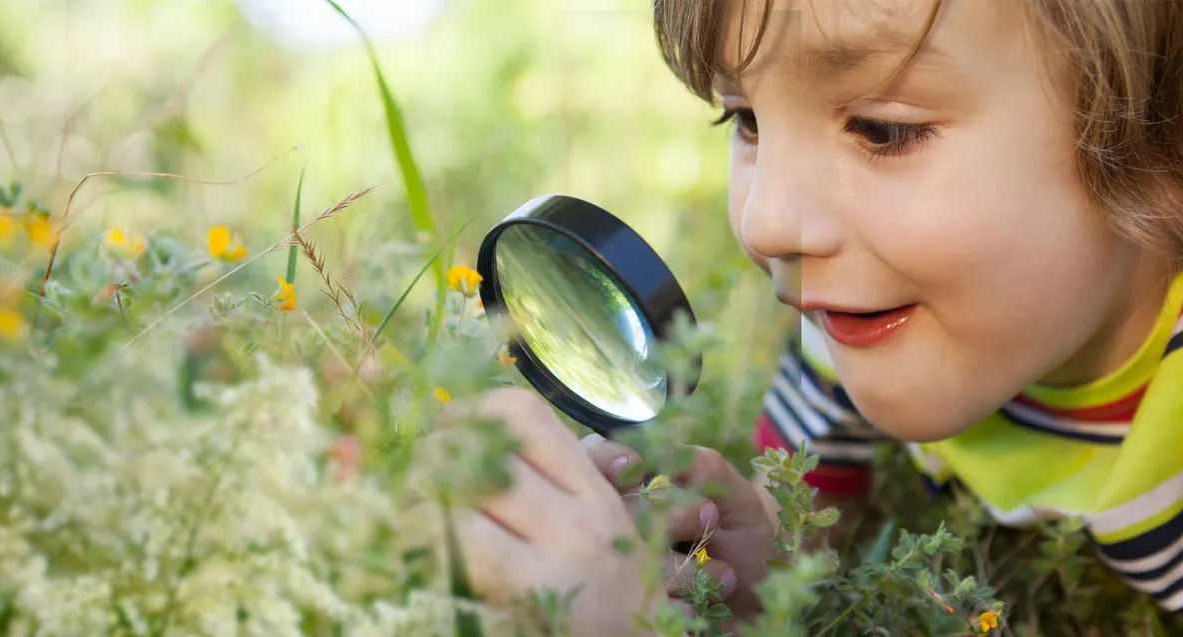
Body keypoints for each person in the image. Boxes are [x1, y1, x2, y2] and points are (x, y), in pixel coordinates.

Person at [445, 0, 1183, 634]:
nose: (766, 222)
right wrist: (767, 561)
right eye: (746, 119)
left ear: (1164, 146)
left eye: (881, 129)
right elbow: (814, 544)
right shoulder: (859, 324)